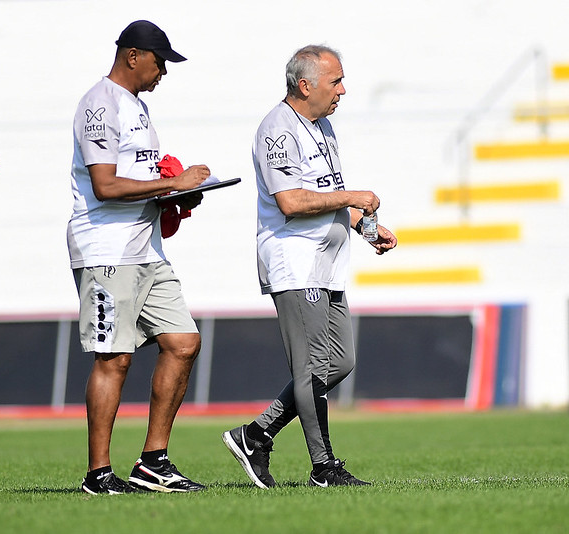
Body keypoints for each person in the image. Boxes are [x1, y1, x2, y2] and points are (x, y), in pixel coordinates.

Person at [222, 45, 397, 488]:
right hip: (294, 262)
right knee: (312, 368)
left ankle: (256, 434)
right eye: (335, 81)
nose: (343, 90)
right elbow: (292, 201)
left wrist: (365, 226)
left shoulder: (322, 127)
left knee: (340, 362)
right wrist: (353, 197)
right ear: (305, 85)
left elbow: (326, 192)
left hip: (327, 264)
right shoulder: (277, 130)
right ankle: (324, 467)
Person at [68, 20, 210, 495]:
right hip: (105, 251)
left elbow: (140, 179)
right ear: (133, 55)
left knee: (184, 341)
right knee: (115, 358)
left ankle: (153, 461)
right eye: (160, 61)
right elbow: (105, 186)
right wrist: (174, 183)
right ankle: (98, 474)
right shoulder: (98, 105)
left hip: (147, 248)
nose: (163, 71)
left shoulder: (138, 107)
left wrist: (180, 197)